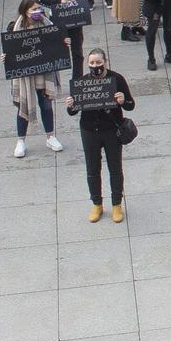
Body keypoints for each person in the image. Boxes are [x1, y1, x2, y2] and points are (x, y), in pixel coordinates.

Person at [65, 47, 133, 222]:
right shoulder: (82, 82)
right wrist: (71, 104)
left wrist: (122, 100)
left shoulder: (117, 79)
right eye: (92, 63)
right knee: (92, 170)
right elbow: (72, 112)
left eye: (98, 63)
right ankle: (97, 204)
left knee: (115, 168)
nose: (95, 66)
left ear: (105, 62)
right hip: (89, 132)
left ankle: (117, 204)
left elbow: (131, 105)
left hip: (111, 131)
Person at [2, 0, 63, 157]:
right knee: (24, 106)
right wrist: (5, 57)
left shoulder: (47, 24)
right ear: (25, 11)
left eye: (39, 8)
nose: (38, 12)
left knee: (46, 105)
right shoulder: (14, 29)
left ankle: (50, 137)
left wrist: (64, 44)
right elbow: (10, 50)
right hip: (25, 76)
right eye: (33, 9)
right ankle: (21, 141)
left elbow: (56, 43)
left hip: (44, 72)